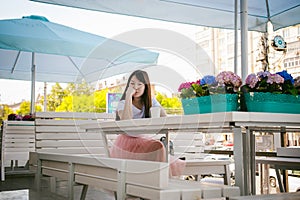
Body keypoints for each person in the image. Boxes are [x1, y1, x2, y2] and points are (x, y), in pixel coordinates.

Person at [110, 70, 185, 176]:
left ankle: (159, 182)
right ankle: (158, 182)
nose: (135, 87)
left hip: (143, 142)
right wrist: (128, 97)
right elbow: (126, 122)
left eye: (139, 84)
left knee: (161, 151)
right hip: (126, 144)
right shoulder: (123, 103)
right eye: (132, 84)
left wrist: (153, 100)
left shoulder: (150, 101)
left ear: (145, 86)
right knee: (158, 147)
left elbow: (164, 118)